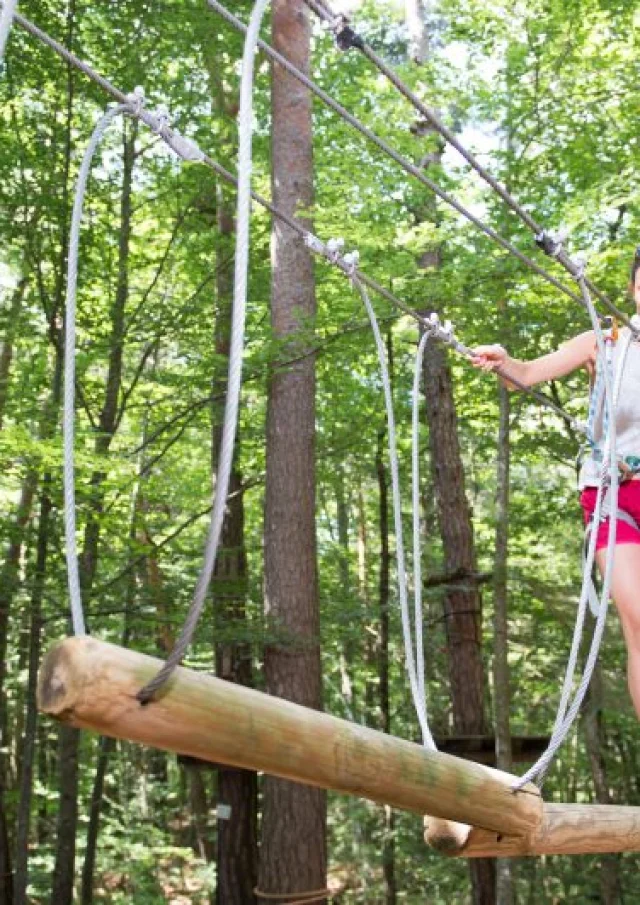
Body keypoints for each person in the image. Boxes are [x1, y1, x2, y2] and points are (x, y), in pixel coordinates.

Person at [471, 252, 640, 716]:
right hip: (612, 495)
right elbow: (526, 375)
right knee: (639, 620)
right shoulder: (604, 340)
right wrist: (504, 362)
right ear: (633, 289)